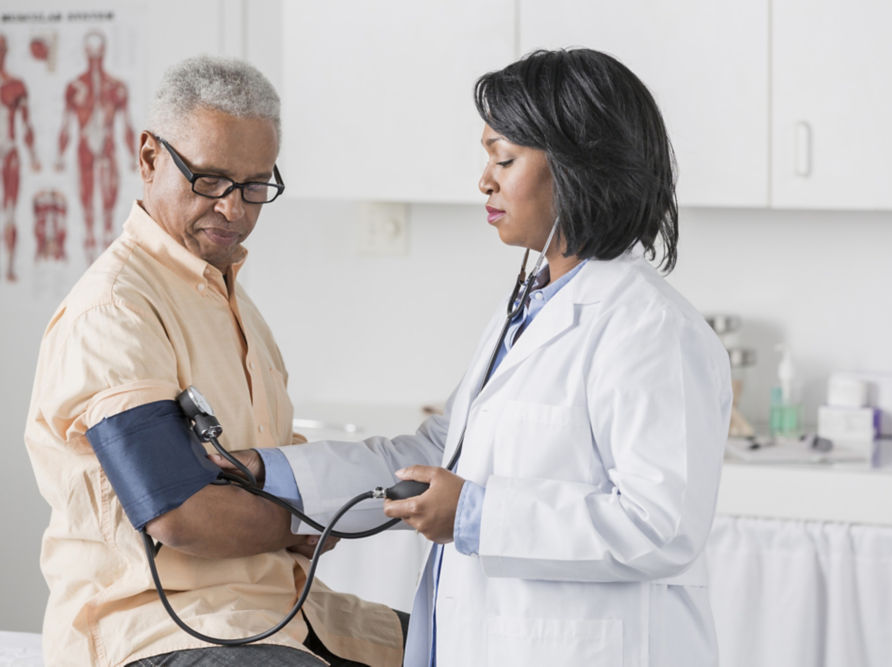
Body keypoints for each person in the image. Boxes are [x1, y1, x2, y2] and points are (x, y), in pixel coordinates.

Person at [223, 48, 733, 666]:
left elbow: (661, 527)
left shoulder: (649, 327)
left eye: (504, 157)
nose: (484, 179)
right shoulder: (527, 307)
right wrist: (266, 473)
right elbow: (436, 455)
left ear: (578, 166)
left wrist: (476, 514)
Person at [25, 56, 404, 667]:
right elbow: (180, 513)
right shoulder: (115, 310)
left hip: (284, 609)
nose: (236, 210)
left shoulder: (228, 298)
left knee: (463, 636)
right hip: (165, 630)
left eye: (256, 185)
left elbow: (281, 466)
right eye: (210, 181)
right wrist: (303, 525)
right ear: (149, 157)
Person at [55, 29, 136, 264]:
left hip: (108, 146)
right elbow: (66, 124)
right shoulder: (75, 87)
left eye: (98, 53)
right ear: (85, 53)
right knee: (87, 197)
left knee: (110, 196)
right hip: (85, 147)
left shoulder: (117, 87)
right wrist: (60, 155)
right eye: (92, 53)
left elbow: (127, 124)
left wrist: (133, 155)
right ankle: (90, 245)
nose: (95, 58)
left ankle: (109, 242)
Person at [0, 32, 42, 281]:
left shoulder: (16, 86)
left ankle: (9, 266)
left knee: (11, 210)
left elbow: (27, 125)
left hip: (10, 153)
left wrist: (34, 156)